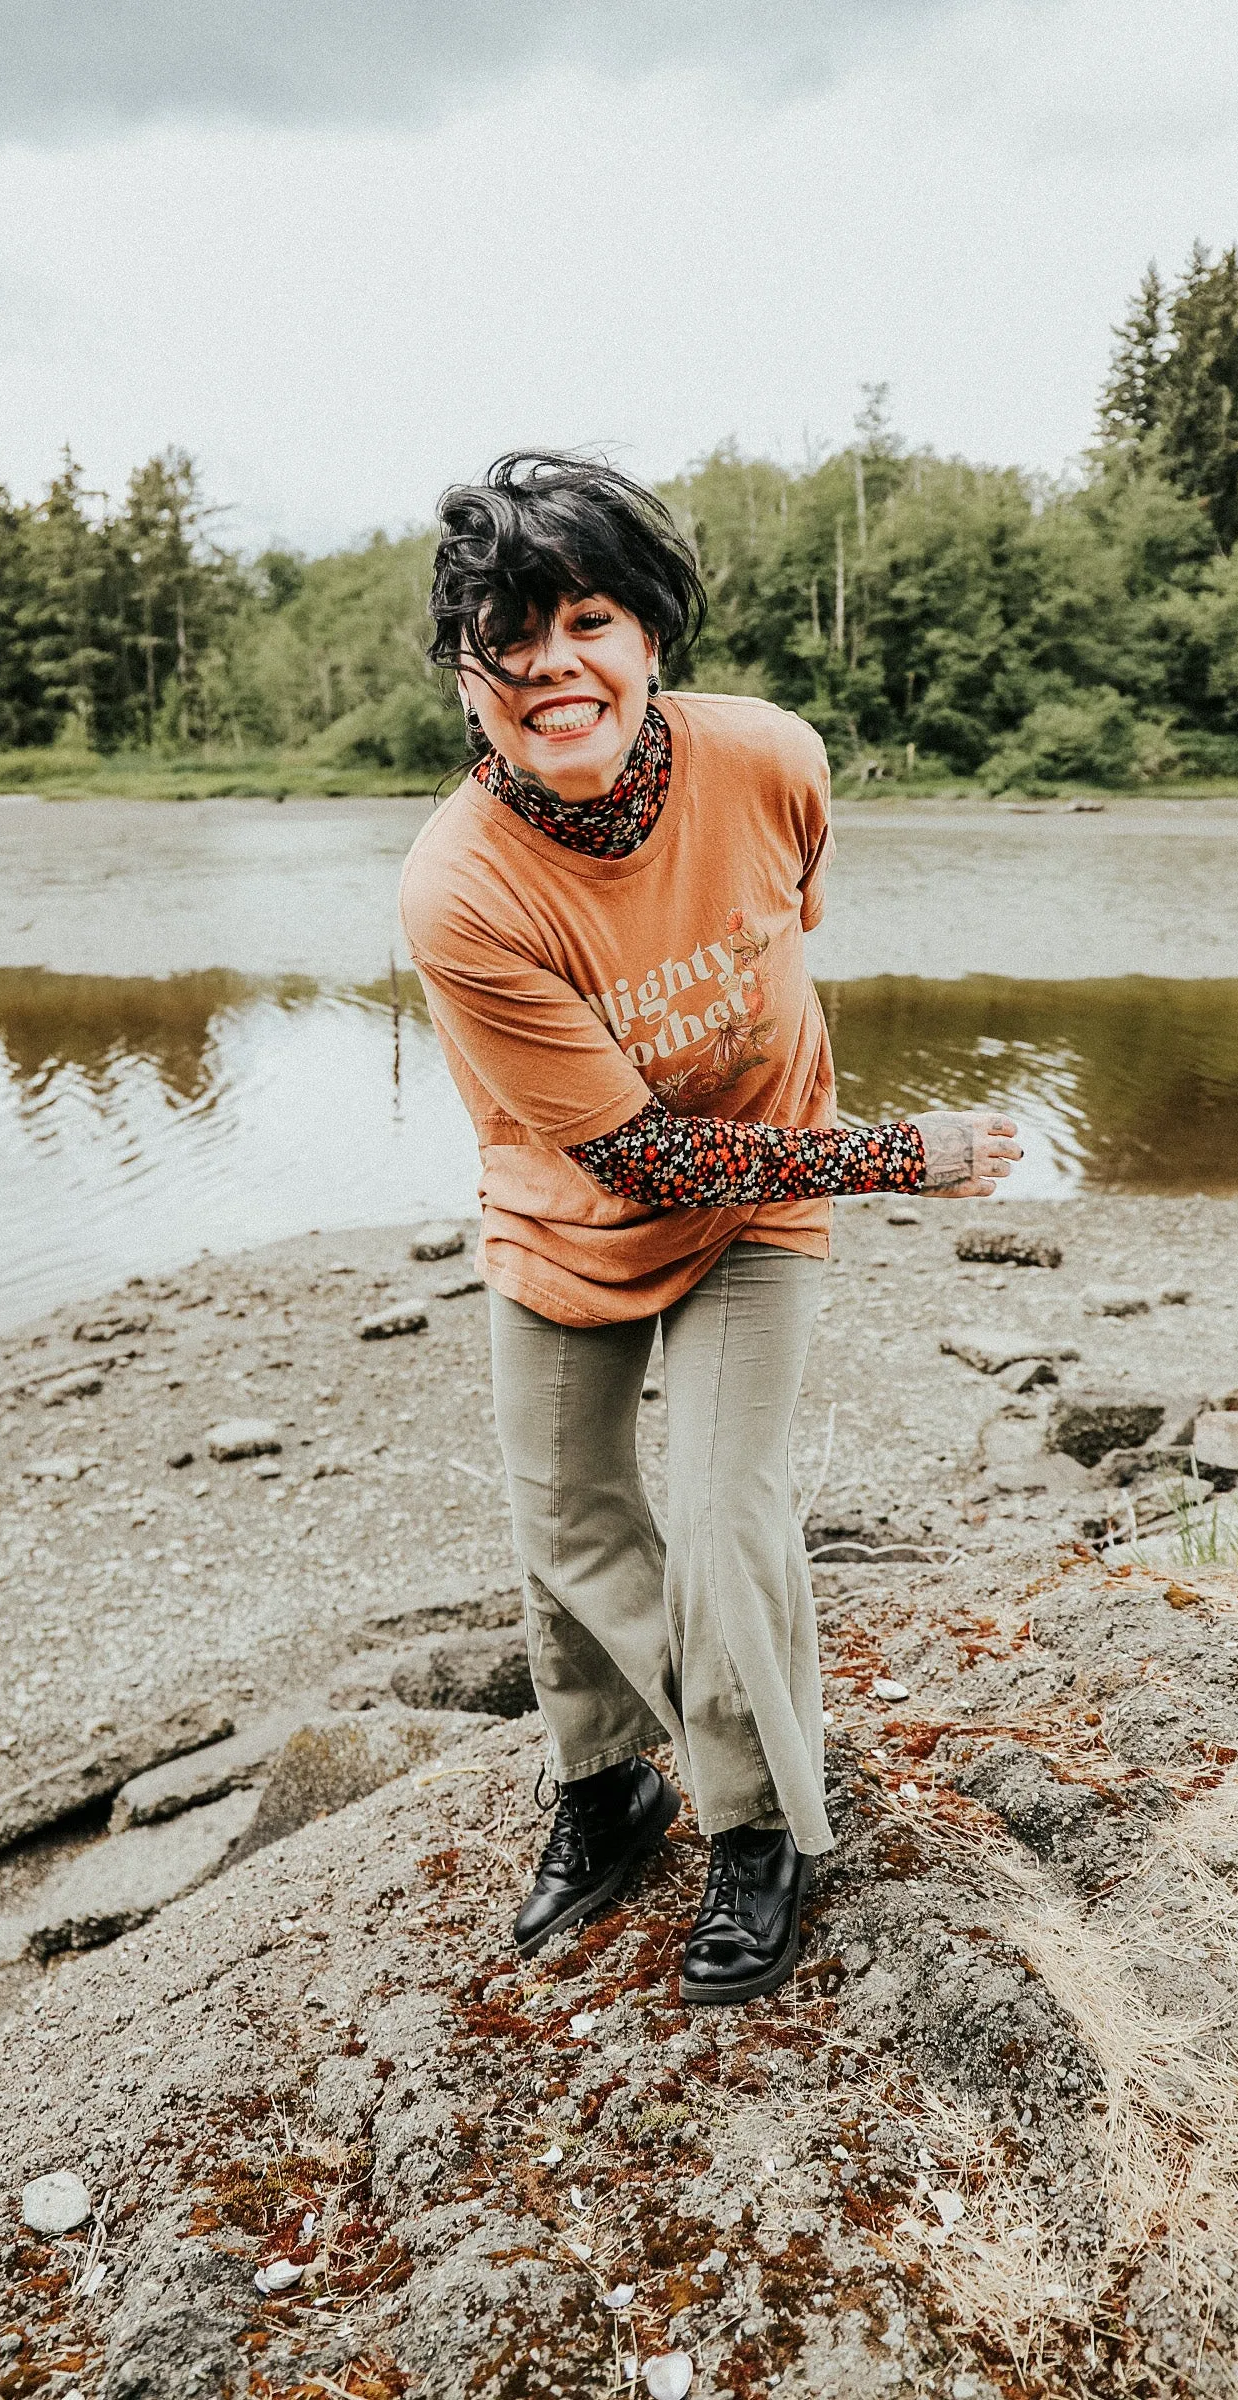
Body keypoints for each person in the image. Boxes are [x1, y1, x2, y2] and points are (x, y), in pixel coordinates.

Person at [399, 453, 1020, 2004]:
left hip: (767, 1189)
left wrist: (821, 1151)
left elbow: (792, 930)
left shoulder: (770, 760)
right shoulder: (460, 890)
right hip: (574, 1213)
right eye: (506, 638)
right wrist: (908, 1151)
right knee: (566, 1525)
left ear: (651, 634)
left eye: (587, 619)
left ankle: (761, 1827)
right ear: (468, 676)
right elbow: (645, 1159)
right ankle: (606, 1785)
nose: (552, 663)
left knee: (726, 1527)